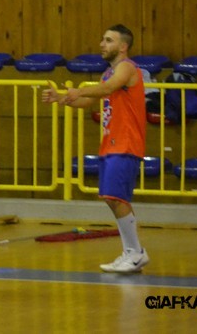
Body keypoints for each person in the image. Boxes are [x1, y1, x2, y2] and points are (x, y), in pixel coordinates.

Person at [42, 24, 150, 274]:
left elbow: (108, 89)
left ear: (123, 46)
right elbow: (88, 101)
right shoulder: (107, 73)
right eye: (103, 39)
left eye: (109, 40)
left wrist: (78, 90)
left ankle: (135, 252)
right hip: (111, 142)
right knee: (112, 198)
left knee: (116, 197)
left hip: (126, 142)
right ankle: (132, 252)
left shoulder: (126, 68)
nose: (102, 44)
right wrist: (62, 98)